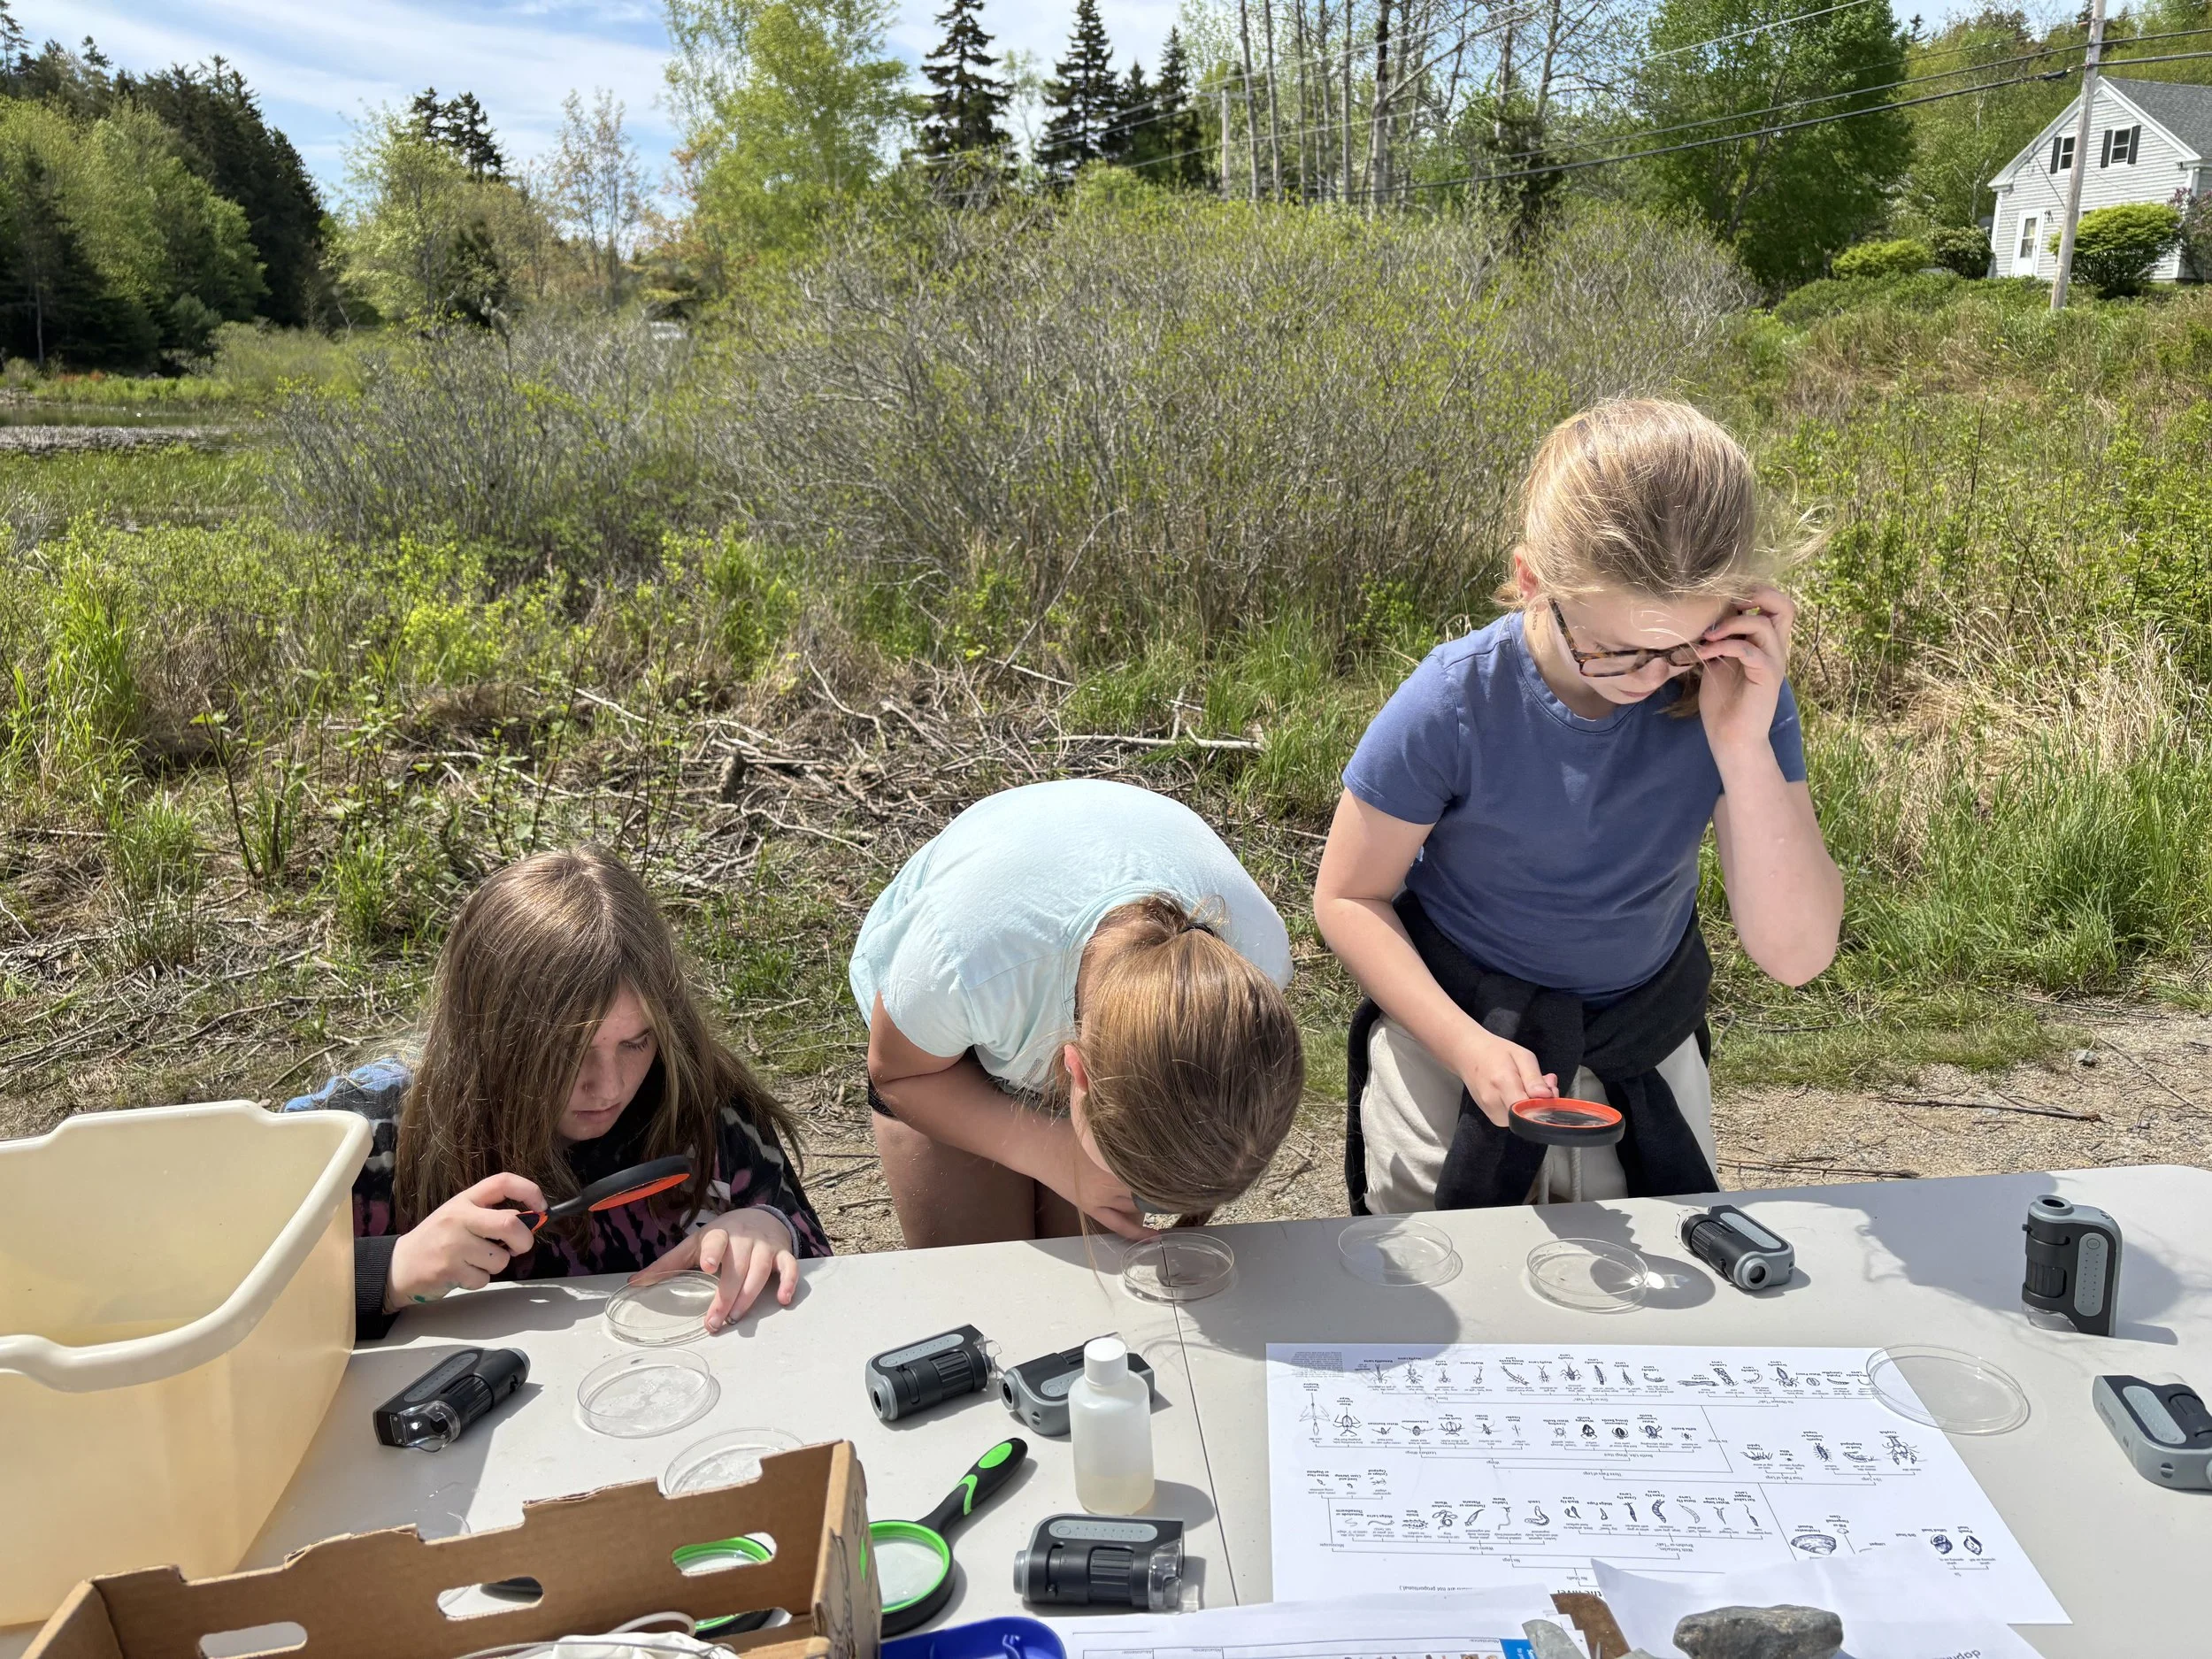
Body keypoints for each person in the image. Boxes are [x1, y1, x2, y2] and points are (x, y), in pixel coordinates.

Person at [1314, 399, 1843, 1211]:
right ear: (1533, 582)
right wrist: (1465, 1046)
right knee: (1447, 1295)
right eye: (1616, 649)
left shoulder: (1731, 688)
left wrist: (1741, 742)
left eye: (1681, 646)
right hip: (1453, 1034)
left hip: (1641, 1042)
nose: (1651, 677)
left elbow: (1797, 954)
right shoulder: (1454, 700)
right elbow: (1348, 896)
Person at [285, 845, 828, 1340]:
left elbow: (826, 1274)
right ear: (488, 1038)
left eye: (637, 1044)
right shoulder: (366, 1140)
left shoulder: (705, 1112)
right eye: (568, 1057)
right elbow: (234, 1305)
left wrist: (771, 1231)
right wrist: (389, 1270)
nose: (608, 1087)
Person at [852, 778, 1305, 1248]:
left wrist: (1082, 1162)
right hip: (948, 1023)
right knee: (986, 1274)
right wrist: (1051, 1153)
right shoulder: (960, 965)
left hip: (1037, 968)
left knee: (1084, 1259)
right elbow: (901, 1076)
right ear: (1074, 1070)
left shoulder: (1256, 965)